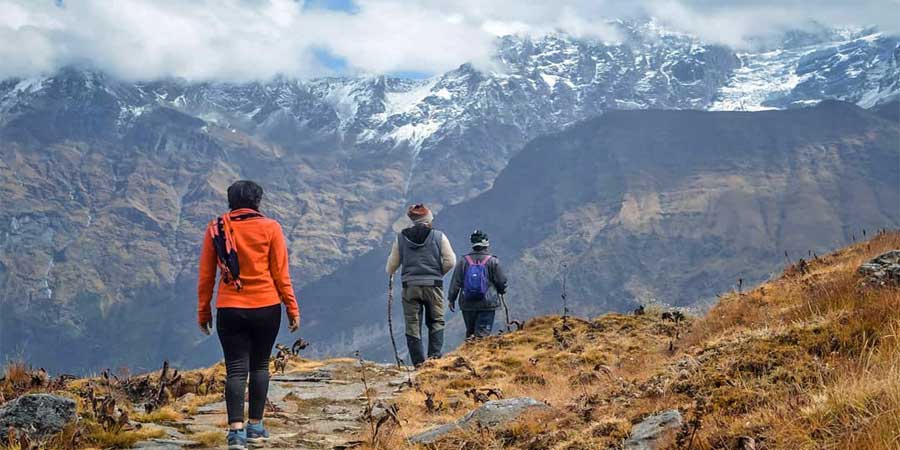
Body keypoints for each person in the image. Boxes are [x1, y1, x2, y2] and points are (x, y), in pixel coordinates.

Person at [197, 180, 300, 450]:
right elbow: (281, 273)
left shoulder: (216, 229)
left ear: (230, 200)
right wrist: (291, 307)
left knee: (236, 370)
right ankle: (255, 426)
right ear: (258, 201)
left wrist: (203, 310)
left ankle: (235, 433)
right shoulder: (271, 228)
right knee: (260, 366)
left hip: (230, 308)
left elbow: (207, 275)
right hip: (266, 306)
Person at [386, 204, 456, 367]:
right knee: (436, 321)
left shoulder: (401, 238)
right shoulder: (439, 236)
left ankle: (418, 363)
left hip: (410, 287)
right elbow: (450, 261)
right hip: (434, 286)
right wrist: (437, 274)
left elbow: (391, 267)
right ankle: (434, 360)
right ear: (428, 219)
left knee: (412, 324)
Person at [448, 230, 508, 339]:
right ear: (486, 244)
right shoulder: (493, 261)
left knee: (470, 333)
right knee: (482, 335)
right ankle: (478, 354)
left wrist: (451, 299)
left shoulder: (463, 262)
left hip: (468, 303)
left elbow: (456, 282)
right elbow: (501, 281)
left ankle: (468, 353)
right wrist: (502, 290)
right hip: (487, 304)